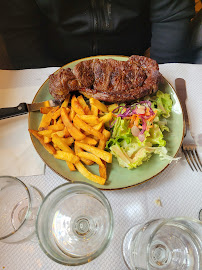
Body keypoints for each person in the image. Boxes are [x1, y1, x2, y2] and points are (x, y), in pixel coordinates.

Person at [0, 0, 196, 69]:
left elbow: (171, 15)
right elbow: (20, 28)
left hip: (133, 55)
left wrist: (158, 73)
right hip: (55, 59)